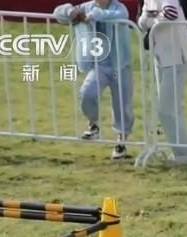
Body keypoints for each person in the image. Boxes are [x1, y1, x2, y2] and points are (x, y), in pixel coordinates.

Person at [56, 0, 134, 160]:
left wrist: (94, 15)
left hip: (120, 65)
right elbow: (59, 13)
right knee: (87, 93)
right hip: (99, 65)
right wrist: (70, 11)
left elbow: (120, 15)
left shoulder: (119, 8)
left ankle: (121, 142)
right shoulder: (87, 6)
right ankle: (94, 124)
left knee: (122, 105)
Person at [138, 0, 187, 165]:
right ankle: (183, 153)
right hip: (160, 58)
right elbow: (141, 21)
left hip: (176, 58)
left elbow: (171, 13)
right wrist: (155, 19)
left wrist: (152, 19)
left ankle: (186, 154)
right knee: (171, 109)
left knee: (166, 109)